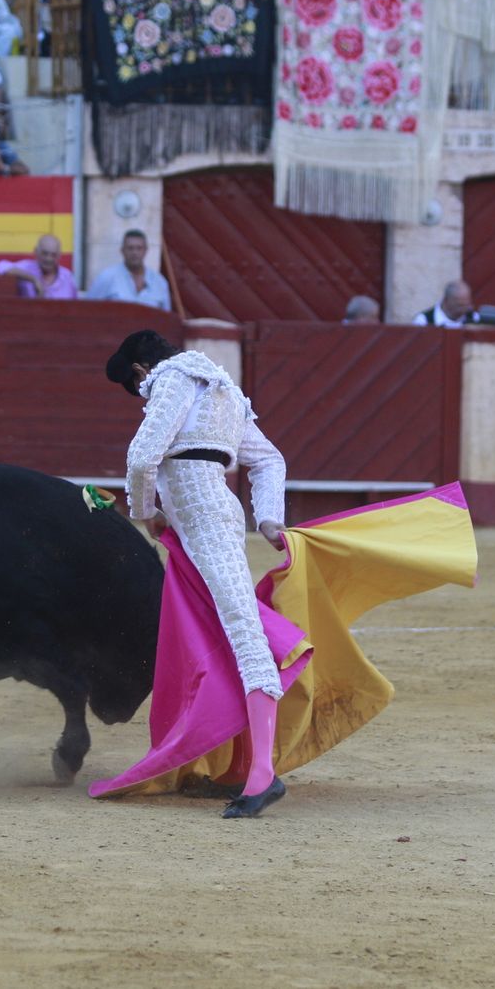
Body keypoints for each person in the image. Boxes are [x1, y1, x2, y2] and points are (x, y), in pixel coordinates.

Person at [103, 328, 289, 819]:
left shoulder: (170, 378)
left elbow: (142, 457)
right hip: (212, 514)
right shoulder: (224, 390)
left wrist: (145, 513)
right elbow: (269, 460)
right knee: (224, 630)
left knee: (243, 633)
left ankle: (262, 773)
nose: (142, 398)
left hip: (202, 517)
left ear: (140, 371)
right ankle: (241, 764)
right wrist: (269, 518)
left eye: (136, 390)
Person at [86, 229, 171, 311]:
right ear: (122, 250)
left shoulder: (159, 282)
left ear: (145, 250)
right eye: (130, 248)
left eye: (139, 248)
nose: (135, 253)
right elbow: (89, 309)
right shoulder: (106, 278)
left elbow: (165, 316)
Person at [0, 232, 75, 298]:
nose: (48, 259)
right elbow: (0, 267)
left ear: (59, 256)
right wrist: (33, 279)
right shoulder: (27, 267)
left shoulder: (67, 277)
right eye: (44, 253)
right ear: (36, 252)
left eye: (53, 255)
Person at [413, 280, 490, 326]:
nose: (464, 310)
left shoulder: (475, 318)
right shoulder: (424, 321)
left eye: (466, 305)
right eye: (459, 306)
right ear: (446, 301)